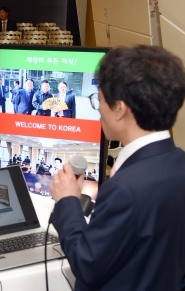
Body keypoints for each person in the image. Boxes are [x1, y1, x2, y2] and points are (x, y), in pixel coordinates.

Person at [50, 45, 185, 291]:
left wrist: (67, 201)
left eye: (99, 100)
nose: (98, 108)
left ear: (120, 108)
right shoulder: (178, 163)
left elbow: (87, 264)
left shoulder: (125, 188)